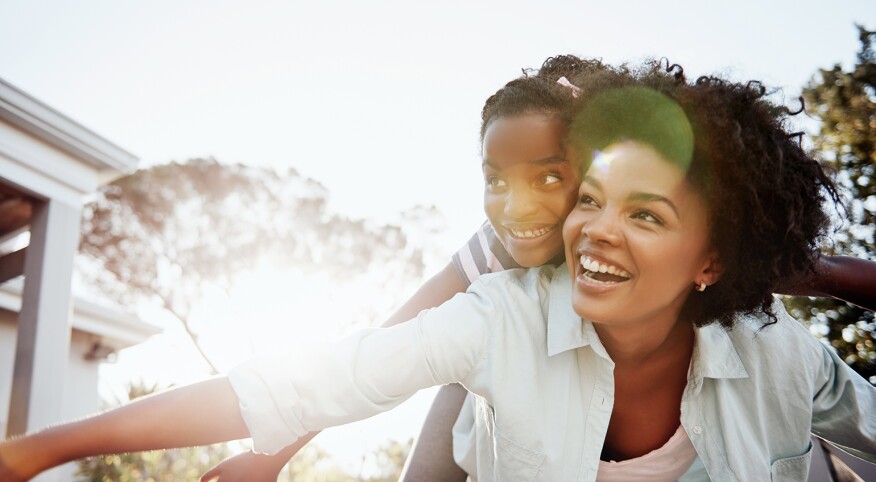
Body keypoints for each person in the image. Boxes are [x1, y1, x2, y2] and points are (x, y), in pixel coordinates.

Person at [2, 60, 875, 482]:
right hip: (488, 383)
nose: (575, 223)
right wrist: (42, 449)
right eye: (590, 199)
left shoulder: (775, 347)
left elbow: (820, 272)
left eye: (642, 211)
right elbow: (341, 369)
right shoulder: (502, 286)